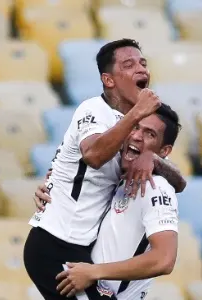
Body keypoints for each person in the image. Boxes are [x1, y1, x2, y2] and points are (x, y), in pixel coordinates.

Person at [24, 38, 187, 300]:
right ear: (109, 80)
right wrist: (137, 117)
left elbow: (178, 182)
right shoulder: (94, 110)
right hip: (56, 243)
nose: (141, 69)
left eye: (143, 63)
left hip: (78, 250)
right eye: (129, 64)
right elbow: (93, 155)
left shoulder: (130, 125)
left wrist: (153, 159)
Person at [43, 104, 180, 299]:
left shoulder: (155, 187)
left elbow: (164, 260)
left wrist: (94, 271)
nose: (136, 136)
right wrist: (50, 190)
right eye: (134, 127)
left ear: (164, 150)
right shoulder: (114, 178)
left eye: (150, 134)